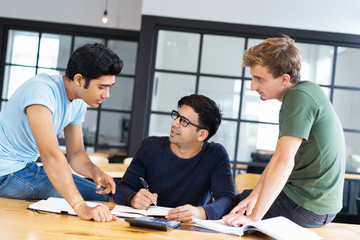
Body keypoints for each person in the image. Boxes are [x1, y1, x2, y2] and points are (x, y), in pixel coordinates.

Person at [223, 35, 346, 228]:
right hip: (312, 203)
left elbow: (284, 161)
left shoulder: (299, 97)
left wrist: (254, 218)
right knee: (241, 201)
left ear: (284, 79)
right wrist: (255, 195)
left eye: (259, 79)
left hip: (308, 207)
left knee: (227, 210)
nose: (253, 86)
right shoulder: (306, 91)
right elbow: (278, 160)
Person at [0, 43, 123, 222]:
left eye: (110, 87)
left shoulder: (78, 101)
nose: (107, 94)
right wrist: (81, 207)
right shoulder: (41, 91)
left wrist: (96, 173)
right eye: (102, 87)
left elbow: (76, 154)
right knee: (99, 197)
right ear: (79, 79)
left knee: (102, 193)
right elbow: (50, 155)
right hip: (5, 173)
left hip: (24, 168)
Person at [114, 94, 235, 222]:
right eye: (177, 116)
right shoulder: (150, 146)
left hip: (188, 230)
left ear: (202, 135)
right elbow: (121, 189)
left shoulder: (215, 155)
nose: (174, 123)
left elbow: (227, 200)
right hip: (147, 226)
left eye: (184, 121)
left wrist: (201, 212)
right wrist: (132, 198)